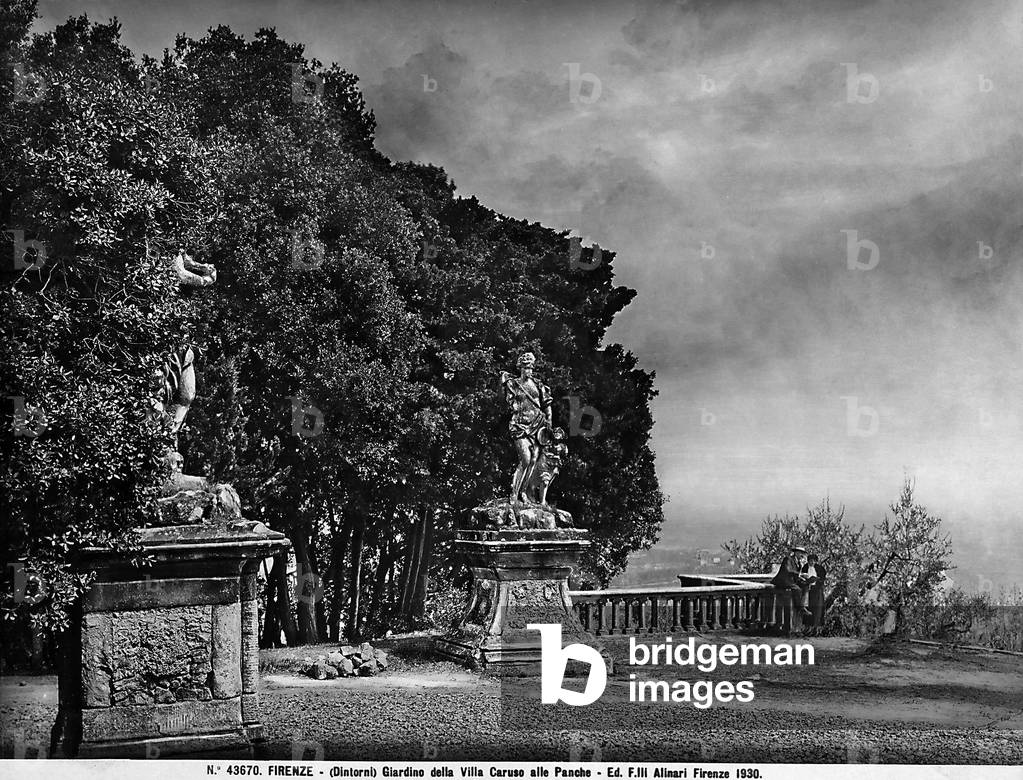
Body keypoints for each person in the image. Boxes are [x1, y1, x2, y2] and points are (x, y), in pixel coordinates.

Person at [772, 546, 812, 617]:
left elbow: (796, 576)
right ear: (796, 553)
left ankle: (803, 606)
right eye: (800, 553)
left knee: (806, 585)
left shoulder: (799, 564)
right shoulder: (788, 559)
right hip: (783, 581)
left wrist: (803, 579)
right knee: (797, 589)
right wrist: (801, 574)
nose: (802, 555)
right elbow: (788, 570)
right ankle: (799, 608)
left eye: (803, 553)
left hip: (791, 581)